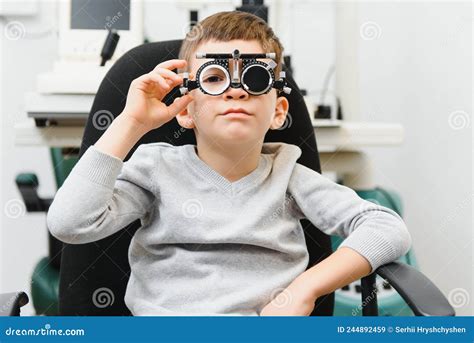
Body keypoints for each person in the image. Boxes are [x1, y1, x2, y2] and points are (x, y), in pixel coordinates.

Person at [47, 11, 411, 316]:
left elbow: (387, 228)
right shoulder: (155, 170)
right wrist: (132, 122)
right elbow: (69, 224)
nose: (236, 90)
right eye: (215, 78)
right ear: (187, 109)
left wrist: (304, 289)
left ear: (279, 112)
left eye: (254, 77)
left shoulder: (288, 177)